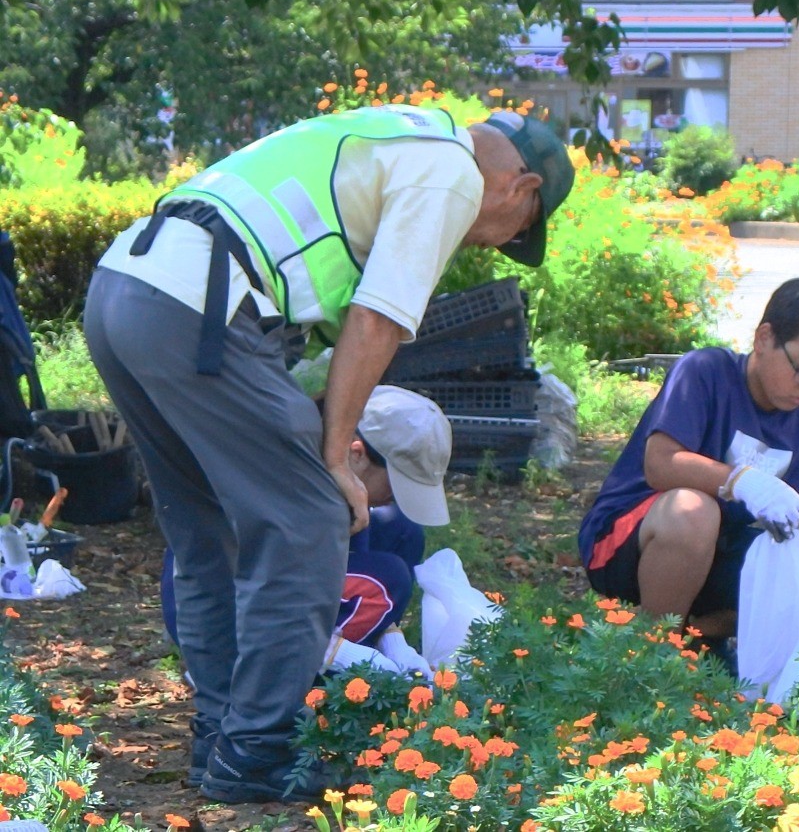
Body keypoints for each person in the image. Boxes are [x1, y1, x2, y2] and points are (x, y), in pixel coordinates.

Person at [83, 105, 573, 804]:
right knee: (309, 518)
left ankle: (222, 737)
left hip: (127, 287)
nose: (491, 244)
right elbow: (377, 322)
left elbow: (333, 331)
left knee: (206, 530)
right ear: (522, 190)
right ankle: (259, 748)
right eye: (515, 234)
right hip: (200, 302)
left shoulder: (398, 136)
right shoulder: (452, 173)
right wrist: (337, 458)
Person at [577, 278, 799, 644]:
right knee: (694, 510)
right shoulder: (706, 371)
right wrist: (742, 481)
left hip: (718, 554)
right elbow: (660, 465)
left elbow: (795, 513)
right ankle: (655, 649)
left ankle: (696, 638)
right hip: (630, 542)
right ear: (764, 339)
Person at [160, 385, 448, 691]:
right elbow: (268, 589)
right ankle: (257, 675)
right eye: (396, 483)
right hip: (223, 610)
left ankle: (339, 651)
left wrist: (393, 641)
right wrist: (338, 653)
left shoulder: (332, 473)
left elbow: (345, 559)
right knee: (390, 577)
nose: (397, 497)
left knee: (401, 530)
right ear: (356, 453)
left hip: (277, 584)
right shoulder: (298, 488)